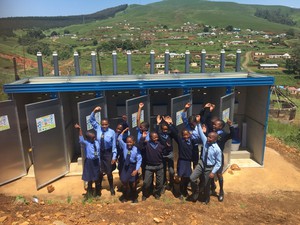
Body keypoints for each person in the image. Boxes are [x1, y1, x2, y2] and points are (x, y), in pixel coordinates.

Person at [163, 116, 195, 200]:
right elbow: (175, 133)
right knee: (180, 177)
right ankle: (178, 191)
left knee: (187, 177)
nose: (185, 136)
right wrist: (170, 124)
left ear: (189, 135)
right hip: (182, 161)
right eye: (184, 135)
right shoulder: (181, 141)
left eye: (187, 135)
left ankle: (184, 190)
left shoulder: (192, 141)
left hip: (188, 162)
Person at [189, 124, 222, 204]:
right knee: (192, 178)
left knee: (207, 185)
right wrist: (198, 123)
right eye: (208, 136)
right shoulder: (205, 141)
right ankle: (196, 191)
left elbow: (218, 163)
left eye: (210, 137)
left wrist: (213, 172)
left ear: (215, 139)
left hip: (209, 167)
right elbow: (200, 132)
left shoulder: (217, 149)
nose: (208, 138)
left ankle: (207, 199)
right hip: (202, 163)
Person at [89, 106, 117, 196]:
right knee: (100, 171)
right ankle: (99, 188)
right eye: (103, 124)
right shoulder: (98, 128)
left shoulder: (112, 132)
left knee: (109, 172)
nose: (104, 126)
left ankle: (111, 188)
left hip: (108, 153)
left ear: (108, 124)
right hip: (99, 153)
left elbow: (114, 146)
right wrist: (94, 110)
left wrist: (114, 156)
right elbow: (91, 120)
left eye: (106, 124)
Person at [74, 123, 100, 199]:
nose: (94, 139)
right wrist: (79, 129)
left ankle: (97, 192)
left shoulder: (97, 142)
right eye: (92, 138)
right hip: (89, 162)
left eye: (94, 137)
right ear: (88, 139)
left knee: (96, 177)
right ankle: (89, 192)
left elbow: (98, 152)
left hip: (96, 161)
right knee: (89, 178)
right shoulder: (86, 143)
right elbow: (81, 139)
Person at [211, 118, 234, 202]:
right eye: (213, 124)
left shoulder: (224, 134)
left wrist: (230, 126)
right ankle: (212, 186)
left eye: (215, 125)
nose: (213, 125)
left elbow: (232, 135)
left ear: (220, 126)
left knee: (219, 173)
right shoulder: (212, 133)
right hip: (211, 156)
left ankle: (221, 191)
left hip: (219, 157)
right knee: (210, 171)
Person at [138, 131, 164, 201]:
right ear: (150, 138)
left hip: (159, 166)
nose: (156, 139)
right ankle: (145, 194)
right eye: (154, 137)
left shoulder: (160, 145)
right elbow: (140, 147)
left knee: (160, 183)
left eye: (157, 137)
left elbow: (164, 152)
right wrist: (142, 138)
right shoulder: (146, 144)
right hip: (149, 166)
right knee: (146, 182)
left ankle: (157, 193)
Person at [118, 128, 142, 203]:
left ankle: (134, 197)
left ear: (134, 142)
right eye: (127, 142)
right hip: (125, 166)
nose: (129, 144)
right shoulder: (124, 146)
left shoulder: (136, 150)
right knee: (124, 180)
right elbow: (119, 139)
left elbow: (139, 160)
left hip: (132, 166)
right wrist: (123, 131)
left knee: (133, 183)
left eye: (130, 142)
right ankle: (125, 195)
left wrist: (136, 170)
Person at [155, 115, 175, 192]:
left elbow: (175, 132)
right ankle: (163, 185)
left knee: (171, 171)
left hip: (170, 153)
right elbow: (156, 132)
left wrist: (170, 124)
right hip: (162, 154)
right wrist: (157, 123)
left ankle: (171, 185)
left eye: (166, 129)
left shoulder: (170, 134)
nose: (165, 131)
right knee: (163, 170)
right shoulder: (160, 134)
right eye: (164, 129)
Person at [181, 102, 202, 168]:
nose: (192, 125)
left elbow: (200, 138)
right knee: (188, 162)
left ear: (196, 122)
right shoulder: (187, 125)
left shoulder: (199, 127)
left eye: (193, 124)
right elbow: (183, 116)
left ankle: (195, 176)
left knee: (195, 162)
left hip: (195, 147)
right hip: (187, 146)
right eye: (190, 124)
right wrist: (185, 109)